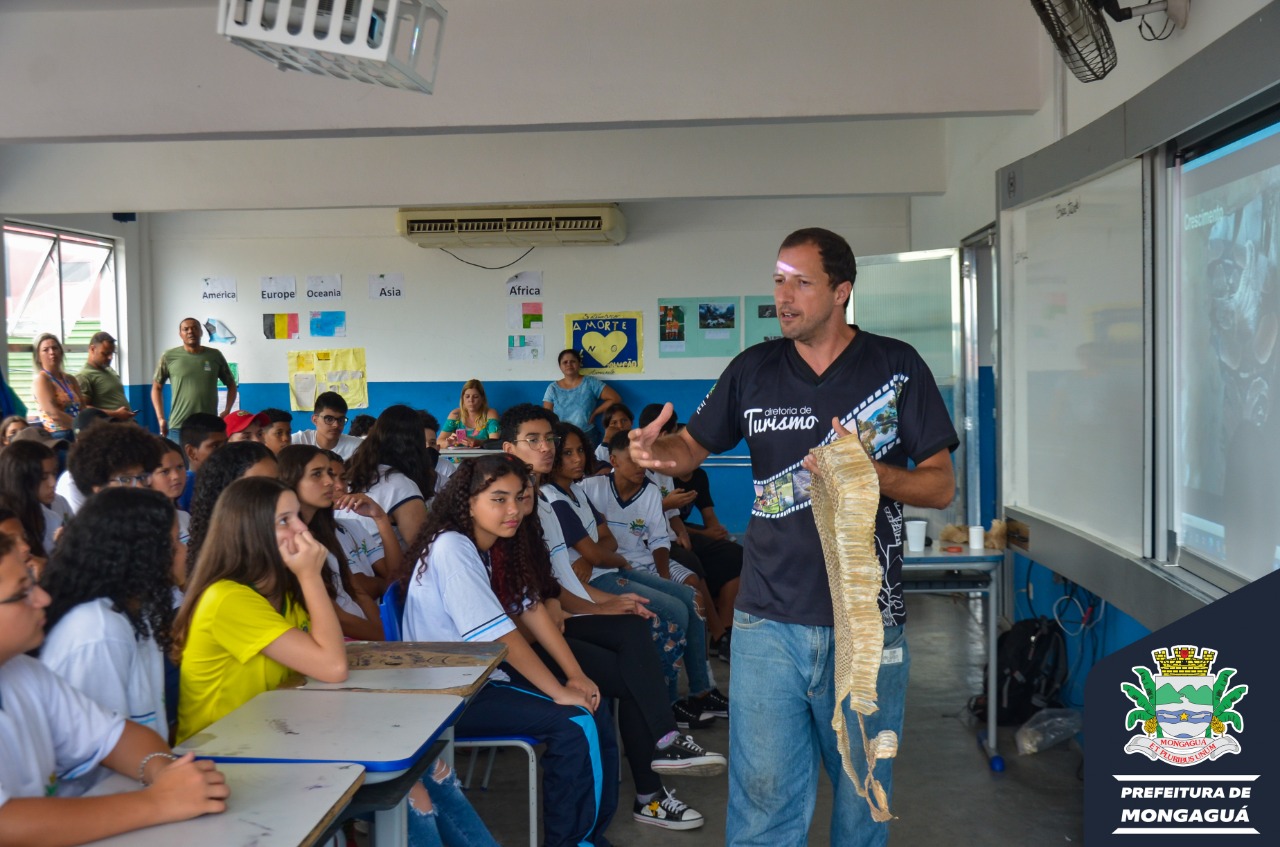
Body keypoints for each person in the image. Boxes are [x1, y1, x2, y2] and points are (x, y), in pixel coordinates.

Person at [630, 227, 958, 847]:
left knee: (862, 800)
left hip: (865, 623)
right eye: (778, 281)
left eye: (801, 283)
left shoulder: (896, 366)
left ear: (841, 292)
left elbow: (940, 486)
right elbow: (689, 448)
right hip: (766, 622)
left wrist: (870, 471)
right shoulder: (752, 369)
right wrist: (656, 453)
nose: (783, 296)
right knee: (763, 803)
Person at [501, 407, 724, 830]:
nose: (547, 449)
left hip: (558, 616)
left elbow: (555, 585)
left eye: (551, 440)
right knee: (636, 664)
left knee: (636, 629)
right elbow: (530, 605)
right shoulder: (522, 508)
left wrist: (599, 604)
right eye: (536, 441)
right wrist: (588, 611)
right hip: (519, 646)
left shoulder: (544, 504)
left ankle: (662, 751)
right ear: (509, 448)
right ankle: (656, 772)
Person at [400, 453, 616, 847]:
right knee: (576, 721)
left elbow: (530, 609)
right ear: (468, 502)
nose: (513, 510)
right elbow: (503, 637)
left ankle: (590, 836)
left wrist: (575, 675)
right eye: (498, 499)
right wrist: (559, 691)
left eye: (520, 497)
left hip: (477, 681)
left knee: (591, 702)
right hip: (450, 697)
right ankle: (575, 842)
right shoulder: (453, 549)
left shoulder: (488, 546)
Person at [0, 532, 230, 845]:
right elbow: (7, 825)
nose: (43, 598)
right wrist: (158, 802)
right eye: (22, 592)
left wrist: (164, 774)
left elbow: (117, 736)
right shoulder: (94, 630)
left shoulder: (21, 672)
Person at [39, 488, 184, 792]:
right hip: (99, 806)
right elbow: (107, 752)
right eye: (172, 544)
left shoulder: (135, 610)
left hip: (141, 790)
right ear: (141, 555)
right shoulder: (97, 631)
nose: (184, 552)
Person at [582, 434, 728, 729]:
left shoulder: (649, 491)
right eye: (632, 461)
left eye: (642, 462)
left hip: (647, 562)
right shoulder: (591, 489)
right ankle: (670, 700)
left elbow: (660, 540)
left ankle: (700, 691)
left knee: (692, 597)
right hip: (612, 569)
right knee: (675, 607)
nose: (640, 468)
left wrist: (663, 576)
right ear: (614, 461)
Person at [276, 445, 383, 641]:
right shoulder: (289, 542)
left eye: (330, 474)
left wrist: (386, 636)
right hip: (336, 641)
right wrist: (385, 639)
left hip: (364, 637)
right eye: (317, 475)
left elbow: (357, 591)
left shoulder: (324, 530)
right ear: (291, 479)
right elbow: (339, 619)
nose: (330, 483)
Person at [345, 404, 435, 550]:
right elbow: (424, 551)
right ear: (416, 444)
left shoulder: (350, 472)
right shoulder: (402, 487)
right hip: (384, 569)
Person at [184, 441, 278, 574]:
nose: (275, 495)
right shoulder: (223, 567)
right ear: (226, 494)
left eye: (277, 484)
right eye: (258, 488)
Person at [151, 317, 236, 443]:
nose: (190, 331)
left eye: (194, 328)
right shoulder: (169, 356)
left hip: (209, 425)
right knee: (181, 462)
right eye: (186, 329)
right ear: (180, 334)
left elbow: (231, 385)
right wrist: (160, 418)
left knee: (208, 462)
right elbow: (156, 388)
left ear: (201, 332)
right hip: (179, 425)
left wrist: (228, 409)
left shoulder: (214, 355)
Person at [0, 440, 62, 562]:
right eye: (43, 477)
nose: (53, 483)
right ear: (20, 479)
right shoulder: (4, 523)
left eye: (54, 473)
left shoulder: (51, 518)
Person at [542, 349, 621, 439]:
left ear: (579, 363)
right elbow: (547, 414)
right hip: (561, 435)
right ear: (560, 366)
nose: (569, 364)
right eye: (565, 362)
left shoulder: (590, 383)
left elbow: (615, 398)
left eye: (573, 361)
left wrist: (595, 413)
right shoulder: (552, 388)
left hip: (587, 434)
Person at [31, 333, 84, 441]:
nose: (52, 352)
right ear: (38, 357)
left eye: (55, 348)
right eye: (46, 350)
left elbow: (82, 406)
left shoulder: (71, 379)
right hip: (59, 435)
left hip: (78, 430)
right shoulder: (42, 380)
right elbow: (53, 413)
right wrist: (78, 427)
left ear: (61, 352)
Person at [75, 332, 135, 422]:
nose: (110, 357)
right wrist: (116, 414)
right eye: (105, 354)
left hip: (127, 427)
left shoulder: (110, 371)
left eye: (111, 353)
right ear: (92, 349)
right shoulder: (83, 376)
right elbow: (84, 409)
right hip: (109, 430)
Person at [174, 412, 227, 512]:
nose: (225, 450)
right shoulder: (182, 488)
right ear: (191, 452)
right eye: (215, 446)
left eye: (226, 444)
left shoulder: (227, 479)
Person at [291, 392, 363, 460]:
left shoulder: (357, 447)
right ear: (315, 420)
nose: (336, 425)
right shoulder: (298, 442)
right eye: (329, 419)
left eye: (341, 420)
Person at [151, 438, 192, 546]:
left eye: (180, 467)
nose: (176, 476)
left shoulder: (184, 517)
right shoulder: (145, 526)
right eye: (165, 471)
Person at [439, 379, 501, 448]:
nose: (471, 400)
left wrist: (479, 442)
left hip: (482, 458)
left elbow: (495, 443)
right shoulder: (456, 414)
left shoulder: (490, 414)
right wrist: (448, 442)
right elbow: (438, 442)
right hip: (457, 458)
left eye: (475, 397)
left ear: (482, 398)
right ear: (463, 399)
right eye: (467, 396)